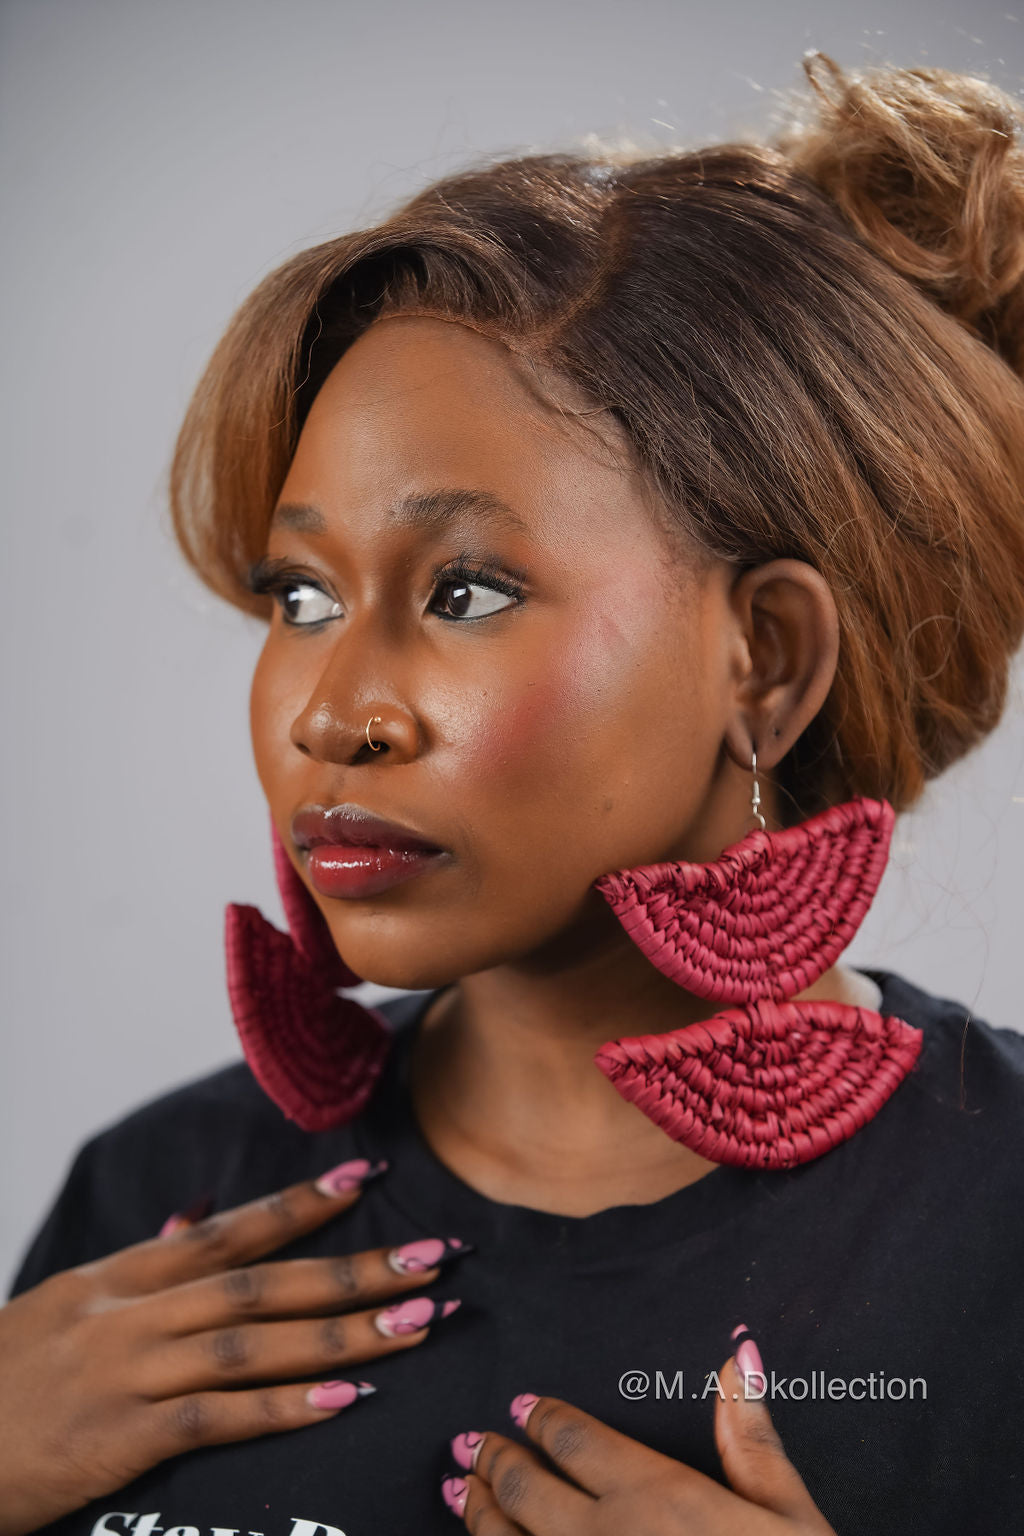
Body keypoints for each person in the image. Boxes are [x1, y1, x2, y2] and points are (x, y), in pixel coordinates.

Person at [3, 51, 1024, 1536]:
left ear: (766, 659)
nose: (331, 712)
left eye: (465, 589)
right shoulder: (152, 1202)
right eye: (299, 595)